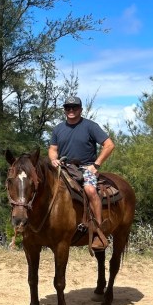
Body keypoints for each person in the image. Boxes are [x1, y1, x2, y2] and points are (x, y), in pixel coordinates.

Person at [48, 96, 115, 250]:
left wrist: (96, 165)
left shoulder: (90, 126)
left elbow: (109, 145)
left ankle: (98, 232)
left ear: (81, 109)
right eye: (68, 108)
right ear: (64, 110)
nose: (71, 111)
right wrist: (53, 159)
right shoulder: (58, 128)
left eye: (74, 108)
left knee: (90, 190)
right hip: (64, 167)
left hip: (86, 168)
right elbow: (53, 149)